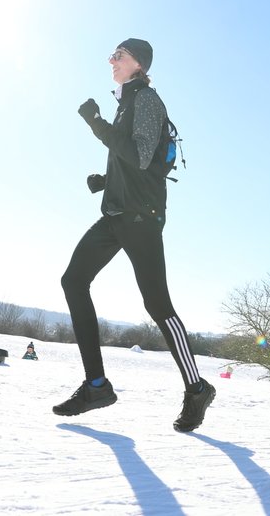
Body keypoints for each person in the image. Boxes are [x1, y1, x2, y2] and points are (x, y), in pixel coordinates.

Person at [55, 38, 215, 433]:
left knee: (158, 306)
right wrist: (106, 180)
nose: (112, 60)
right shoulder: (127, 103)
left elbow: (141, 155)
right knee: (73, 280)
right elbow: (134, 162)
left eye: (119, 55)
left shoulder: (147, 100)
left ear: (138, 64)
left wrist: (96, 124)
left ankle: (197, 388)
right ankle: (96, 386)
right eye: (113, 55)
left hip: (142, 218)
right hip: (117, 214)